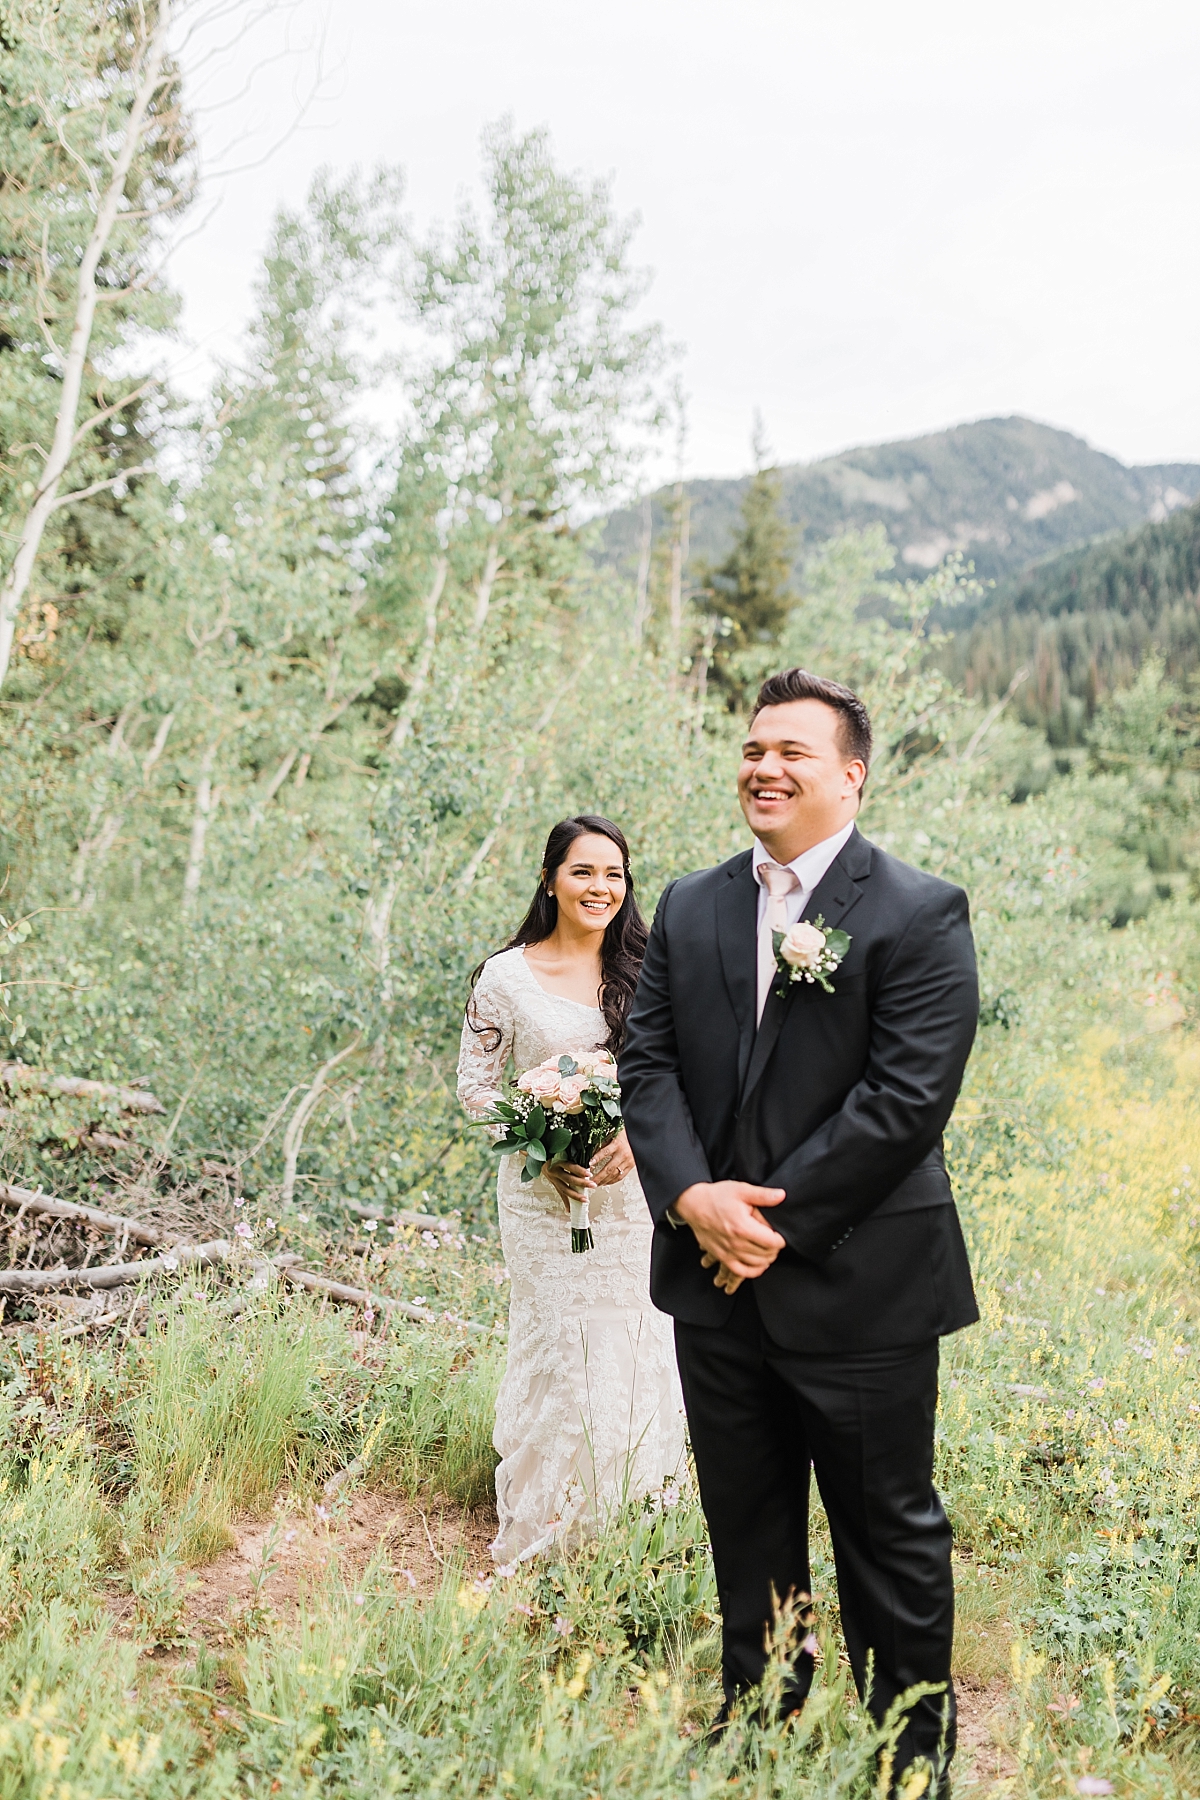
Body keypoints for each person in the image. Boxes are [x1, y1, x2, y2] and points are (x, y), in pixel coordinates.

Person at [619, 669, 979, 1795]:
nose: (763, 766)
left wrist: (764, 1220)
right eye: (752, 747)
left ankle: (908, 1757)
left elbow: (905, 1101)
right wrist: (691, 1199)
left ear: (850, 776)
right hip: (712, 1288)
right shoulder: (692, 903)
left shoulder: (919, 910)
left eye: (792, 752)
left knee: (889, 1535)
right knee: (748, 1526)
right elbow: (650, 1065)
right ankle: (758, 1722)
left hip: (857, 1281)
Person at [457, 814, 686, 1565]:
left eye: (614, 873)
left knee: (632, 1341)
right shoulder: (505, 977)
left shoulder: (653, 967)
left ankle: (631, 1524)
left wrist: (647, 1142)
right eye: (583, 871)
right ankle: (551, 1523)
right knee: (562, 1345)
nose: (600, 886)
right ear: (551, 877)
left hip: (630, 1202)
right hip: (540, 1199)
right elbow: (475, 1090)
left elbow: (691, 1080)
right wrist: (541, 1139)